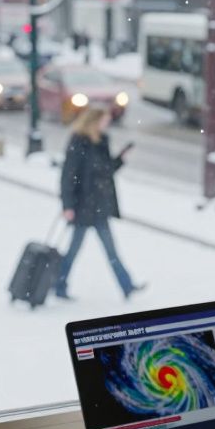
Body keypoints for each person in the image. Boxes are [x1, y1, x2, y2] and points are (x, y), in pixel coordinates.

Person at [58, 106, 145, 301]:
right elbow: (68, 176)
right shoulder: (79, 142)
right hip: (81, 207)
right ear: (93, 122)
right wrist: (68, 205)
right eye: (104, 120)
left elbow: (105, 172)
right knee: (74, 250)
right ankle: (59, 284)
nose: (107, 124)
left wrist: (121, 159)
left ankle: (127, 286)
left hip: (98, 206)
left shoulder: (102, 141)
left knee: (110, 250)